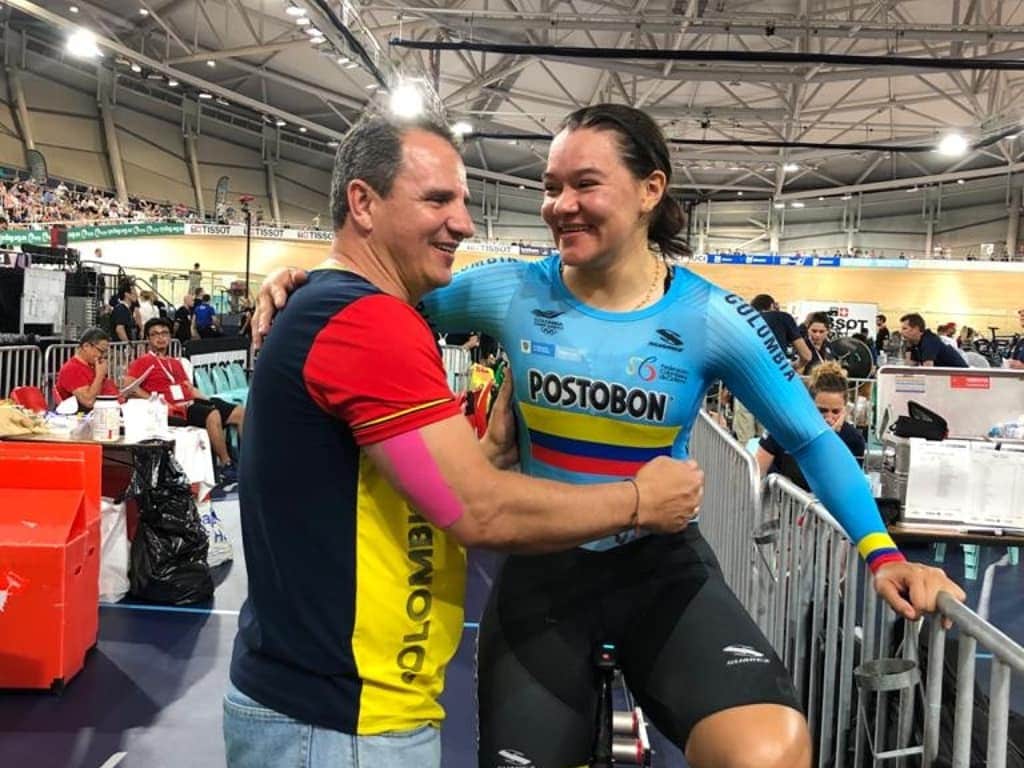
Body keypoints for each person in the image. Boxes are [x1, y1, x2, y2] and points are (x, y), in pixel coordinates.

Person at [257, 105, 964, 768]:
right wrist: (306, 277)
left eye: (584, 184)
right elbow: (378, 294)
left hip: (661, 571)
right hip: (543, 575)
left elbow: (809, 439)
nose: (560, 205)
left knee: (768, 751)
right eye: (551, 187)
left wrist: (881, 555)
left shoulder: (710, 317)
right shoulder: (510, 290)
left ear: (650, 189)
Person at [225, 114, 705, 768]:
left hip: (334, 709)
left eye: (463, 201)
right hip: (338, 722)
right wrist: (640, 501)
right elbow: (479, 510)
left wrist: (486, 455)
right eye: (437, 200)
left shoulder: (339, 307)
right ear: (363, 203)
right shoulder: (367, 322)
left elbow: (386, 496)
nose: (464, 223)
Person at [125, 317, 243, 488]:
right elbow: (130, 387)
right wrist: (155, 401)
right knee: (212, 415)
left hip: (190, 401)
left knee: (240, 412)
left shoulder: (175, 362)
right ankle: (226, 464)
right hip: (173, 409)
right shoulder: (142, 362)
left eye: (164, 333)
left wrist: (208, 399)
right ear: (148, 339)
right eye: (155, 334)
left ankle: (248, 459)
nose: (160, 337)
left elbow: (189, 387)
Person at [756, 361, 865, 490]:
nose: (829, 417)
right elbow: (758, 471)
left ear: (844, 409)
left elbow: (846, 487)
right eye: (822, 410)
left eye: (836, 411)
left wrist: (830, 440)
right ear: (809, 404)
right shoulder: (784, 426)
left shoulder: (853, 439)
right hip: (781, 498)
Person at [54, 327, 119, 409]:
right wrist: (100, 376)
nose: (102, 356)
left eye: (105, 352)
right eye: (101, 351)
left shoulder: (93, 365)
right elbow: (89, 401)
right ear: (86, 346)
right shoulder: (71, 369)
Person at [900, 313, 968, 367]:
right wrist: (908, 348)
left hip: (960, 377)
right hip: (944, 377)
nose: (901, 332)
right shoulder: (914, 344)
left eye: (904, 328)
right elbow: (910, 368)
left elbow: (928, 371)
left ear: (916, 329)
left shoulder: (929, 340)